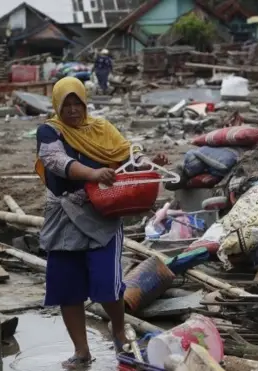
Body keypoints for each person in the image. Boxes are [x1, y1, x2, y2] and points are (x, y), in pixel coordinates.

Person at [35, 76, 168, 369]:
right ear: (57, 106)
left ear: (85, 103)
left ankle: (119, 330)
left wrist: (146, 162)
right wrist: (92, 174)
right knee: (66, 287)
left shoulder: (101, 129)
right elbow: (55, 161)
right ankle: (81, 351)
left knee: (106, 284)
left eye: (77, 103)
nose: (72, 110)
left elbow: (126, 154)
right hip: (63, 218)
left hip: (102, 216)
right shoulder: (49, 131)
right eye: (66, 104)